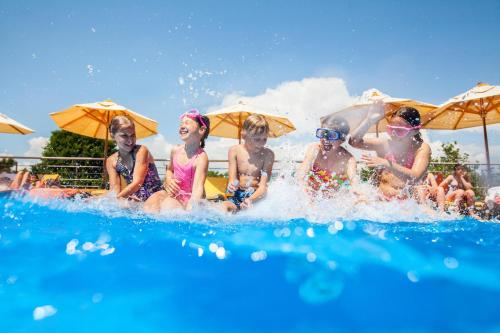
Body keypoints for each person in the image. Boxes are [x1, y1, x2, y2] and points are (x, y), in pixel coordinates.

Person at [349, 103, 431, 199]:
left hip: (406, 205)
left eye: (400, 130)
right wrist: (368, 121)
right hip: (382, 202)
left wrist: (387, 163)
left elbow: (415, 177)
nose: (394, 134)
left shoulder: (421, 148)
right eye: (391, 129)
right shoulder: (386, 144)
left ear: (415, 131)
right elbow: (354, 142)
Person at [144, 109, 209, 212]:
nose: (182, 126)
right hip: (176, 196)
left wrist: (190, 212)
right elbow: (169, 170)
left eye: (187, 123)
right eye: (181, 124)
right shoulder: (175, 150)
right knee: (153, 199)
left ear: (201, 130)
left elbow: (197, 189)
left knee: (168, 205)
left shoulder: (201, 157)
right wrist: (169, 179)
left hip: (192, 200)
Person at [221, 114, 275, 213]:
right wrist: (232, 185)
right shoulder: (234, 151)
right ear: (244, 135)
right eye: (257, 139)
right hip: (235, 195)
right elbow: (232, 179)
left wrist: (250, 200)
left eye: (264, 139)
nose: (261, 143)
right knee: (223, 207)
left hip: (255, 196)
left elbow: (263, 187)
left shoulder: (268, 155)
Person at [296, 116, 357, 198]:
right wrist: (303, 187)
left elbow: (355, 181)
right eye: (322, 133)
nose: (325, 139)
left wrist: (358, 192)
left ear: (342, 139)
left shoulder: (348, 160)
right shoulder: (314, 150)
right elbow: (301, 173)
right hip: (310, 195)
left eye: (331, 135)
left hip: (332, 200)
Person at [106, 115, 162, 202]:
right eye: (124, 135)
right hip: (136, 200)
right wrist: (87, 197)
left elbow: (137, 183)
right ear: (113, 136)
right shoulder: (111, 161)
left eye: (133, 135)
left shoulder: (141, 151)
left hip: (156, 198)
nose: (130, 140)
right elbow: (114, 191)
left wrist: (116, 200)